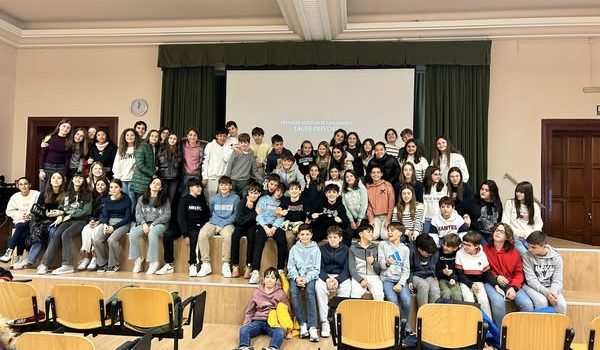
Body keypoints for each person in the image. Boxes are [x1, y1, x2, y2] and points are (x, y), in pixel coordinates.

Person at [37, 172, 92, 275]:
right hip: (67, 220)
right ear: (72, 180)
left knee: (66, 234)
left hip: (81, 220)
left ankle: (68, 265)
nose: (78, 179)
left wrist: (67, 214)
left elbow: (86, 211)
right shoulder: (67, 193)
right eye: (76, 177)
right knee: (56, 234)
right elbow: (62, 207)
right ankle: (45, 264)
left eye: (81, 178)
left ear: (83, 180)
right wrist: (59, 215)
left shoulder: (88, 194)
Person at [11, 172, 66, 270]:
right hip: (41, 219)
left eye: (59, 178)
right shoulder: (44, 193)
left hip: (57, 220)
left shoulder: (66, 194)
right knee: (39, 232)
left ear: (63, 180)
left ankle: (46, 261)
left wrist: (60, 214)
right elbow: (38, 209)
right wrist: (46, 213)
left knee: (52, 231)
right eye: (53, 178)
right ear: (50, 180)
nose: (56, 180)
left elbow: (67, 209)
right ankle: (30, 261)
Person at [483, 223, 533, 327]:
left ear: (507, 236)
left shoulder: (514, 252)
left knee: (526, 304)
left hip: (511, 283)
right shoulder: (485, 250)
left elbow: (519, 273)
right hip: (491, 282)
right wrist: (497, 277)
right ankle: (500, 336)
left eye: (501, 231)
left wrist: (514, 288)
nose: (497, 233)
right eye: (496, 230)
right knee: (498, 302)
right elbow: (483, 270)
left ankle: (521, 333)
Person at [158, 178, 210, 276]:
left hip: (195, 227)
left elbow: (205, 217)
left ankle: (193, 264)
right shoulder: (184, 199)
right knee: (167, 234)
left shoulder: (202, 200)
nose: (200, 189)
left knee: (194, 235)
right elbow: (181, 218)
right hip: (183, 226)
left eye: (200, 187)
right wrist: (185, 234)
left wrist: (200, 226)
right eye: (197, 187)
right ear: (190, 188)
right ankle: (169, 264)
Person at [233, 267, 290, 350]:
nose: (269, 280)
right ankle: (244, 346)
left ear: (276, 280)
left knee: (280, 332)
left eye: (273, 278)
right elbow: (250, 310)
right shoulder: (257, 292)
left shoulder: (280, 293)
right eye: (267, 277)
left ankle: (273, 348)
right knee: (244, 330)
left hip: (273, 322)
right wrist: (247, 323)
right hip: (258, 321)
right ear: (263, 279)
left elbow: (286, 310)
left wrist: (287, 329)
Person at [197, 176, 240, 278]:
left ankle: (225, 264)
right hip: (213, 222)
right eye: (221, 184)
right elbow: (212, 212)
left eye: (226, 184)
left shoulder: (236, 198)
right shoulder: (214, 198)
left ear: (230, 186)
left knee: (228, 236)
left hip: (228, 223)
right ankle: (206, 264)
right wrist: (216, 223)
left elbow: (235, 215)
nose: (224, 186)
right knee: (202, 234)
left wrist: (222, 224)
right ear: (218, 186)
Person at [128, 178, 171, 275]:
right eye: (153, 182)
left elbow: (167, 215)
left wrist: (154, 224)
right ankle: (138, 259)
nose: (155, 185)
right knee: (133, 233)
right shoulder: (141, 198)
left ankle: (154, 262)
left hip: (160, 224)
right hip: (145, 224)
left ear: (160, 188)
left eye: (158, 184)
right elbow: (138, 214)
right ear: (149, 185)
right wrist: (143, 224)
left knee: (152, 233)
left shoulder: (165, 200)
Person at [315, 225, 351, 338]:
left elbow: (347, 269)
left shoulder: (346, 250)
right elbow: (319, 268)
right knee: (318, 287)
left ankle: (337, 323)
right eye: (330, 237)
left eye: (335, 237)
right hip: (326, 276)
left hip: (341, 276)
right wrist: (326, 279)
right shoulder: (322, 249)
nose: (332, 239)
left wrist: (338, 280)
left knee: (347, 288)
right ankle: (325, 323)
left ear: (340, 238)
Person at [287, 224, 321, 342]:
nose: (305, 237)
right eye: (302, 234)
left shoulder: (316, 249)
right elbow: (291, 267)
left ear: (311, 235)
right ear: (298, 235)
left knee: (310, 292)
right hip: (296, 277)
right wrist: (297, 278)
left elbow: (316, 269)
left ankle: (312, 326)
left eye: (307, 234)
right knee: (293, 292)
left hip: (310, 277)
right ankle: (302, 324)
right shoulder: (294, 249)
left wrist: (306, 279)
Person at [249, 182, 287, 284]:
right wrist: (265, 227)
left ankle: (280, 269)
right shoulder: (263, 199)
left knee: (282, 240)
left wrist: (274, 227)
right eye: (278, 190)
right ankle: (255, 271)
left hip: (275, 225)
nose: (279, 193)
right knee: (259, 240)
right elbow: (258, 215)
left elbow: (282, 217)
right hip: (263, 225)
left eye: (282, 192)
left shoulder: (282, 202)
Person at [92, 179, 133, 272]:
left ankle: (114, 264)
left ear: (121, 188)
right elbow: (105, 215)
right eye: (111, 187)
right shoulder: (106, 200)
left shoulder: (126, 199)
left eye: (116, 187)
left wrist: (113, 228)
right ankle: (102, 263)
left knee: (112, 240)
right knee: (96, 239)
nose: (113, 189)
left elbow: (127, 218)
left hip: (122, 223)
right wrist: (106, 225)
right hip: (109, 222)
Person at [521, 230, 566, 314]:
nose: (530, 249)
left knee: (561, 305)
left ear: (544, 246)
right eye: (529, 246)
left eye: (533, 247)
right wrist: (547, 293)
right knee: (541, 302)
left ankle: (558, 327)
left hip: (550, 288)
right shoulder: (527, 256)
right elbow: (531, 280)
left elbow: (557, 280)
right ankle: (539, 327)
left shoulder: (556, 257)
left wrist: (553, 292)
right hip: (531, 287)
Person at [378, 222, 411, 330]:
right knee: (392, 300)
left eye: (392, 230)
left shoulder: (405, 249)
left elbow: (406, 270)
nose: (389, 232)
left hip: (400, 279)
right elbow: (381, 265)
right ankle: (396, 326)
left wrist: (401, 284)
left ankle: (405, 324)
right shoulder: (383, 244)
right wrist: (387, 263)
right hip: (386, 279)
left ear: (400, 233)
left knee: (406, 300)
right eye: (388, 230)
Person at [455, 231, 495, 317]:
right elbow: (460, 275)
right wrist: (471, 285)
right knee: (469, 301)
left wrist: (496, 285)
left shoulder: (482, 255)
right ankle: (471, 324)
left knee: (484, 301)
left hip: (478, 282)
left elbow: (487, 274)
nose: (465, 247)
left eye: (468, 245)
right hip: (465, 282)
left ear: (476, 246)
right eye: (464, 244)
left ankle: (487, 325)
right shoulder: (459, 253)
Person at [1, 177, 40, 264]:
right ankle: (19, 257)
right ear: (18, 186)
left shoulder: (36, 194)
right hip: (20, 220)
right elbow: (9, 211)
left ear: (29, 185)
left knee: (20, 227)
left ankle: (10, 251)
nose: (23, 186)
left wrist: (32, 214)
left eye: (25, 184)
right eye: (21, 184)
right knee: (22, 229)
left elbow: (41, 208)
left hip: (33, 221)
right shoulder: (15, 197)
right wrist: (20, 215)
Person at [230, 181, 262, 279]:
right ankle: (235, 265)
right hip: (241, 225)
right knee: (235, 236)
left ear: (259, 194)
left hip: (252, 226)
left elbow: (266, 192)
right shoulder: (243, 202)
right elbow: (239, 220)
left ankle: (249, 266)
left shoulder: (260, 202)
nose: (253, 195)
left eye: (256, 193)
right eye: (251, 193)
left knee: (252, 237)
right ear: (248, 192)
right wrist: (254, 214)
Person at [502, 181, 543, 255]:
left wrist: (532, 235)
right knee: (525, 253)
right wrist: (519, 233)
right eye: (517, 191)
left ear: (528, 193)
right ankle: (530, 262)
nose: (518, 194)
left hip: (530, 237)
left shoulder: (534, 206)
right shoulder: (510, 203)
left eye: (521, 192)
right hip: (514, 236)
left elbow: (538, 222)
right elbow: (505, 223)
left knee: (541, 250)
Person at [76, 178, 109, 271]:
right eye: (98, 184)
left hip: (104, 221)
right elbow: (91, 212)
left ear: (106, 186)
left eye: (102, 185)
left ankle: (95, 257)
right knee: (86, 230)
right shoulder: (93, 196)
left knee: (95, 232)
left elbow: (107, 213)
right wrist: (92, 220)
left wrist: (99, 221)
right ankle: (86, 257)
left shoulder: (108, 197)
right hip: (95, 221)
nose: (100, 187)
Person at [349, 224, 384, 300]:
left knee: (379, 295)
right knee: (355, 295)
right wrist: (360, 280)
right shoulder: (353, 248)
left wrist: (374, 262)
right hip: (358, 276)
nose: (371, 234)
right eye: (368, 232)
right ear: (360, 234)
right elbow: (352, 269)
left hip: (373, 276)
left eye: (372, 232)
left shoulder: (376, 247)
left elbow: (379, 270)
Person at [406, 233, 440, 308]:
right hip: (415, 275)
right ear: (419, 249)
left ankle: (433, 313)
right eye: (427, 253)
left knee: (435, 289)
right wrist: (410, 280)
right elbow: (408, 268)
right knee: (423, 286)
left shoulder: (434, 251)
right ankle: (422, 313)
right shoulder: (410, 251)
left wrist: (436, 276)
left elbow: (435, 266)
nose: (430, 254)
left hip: (429, 275)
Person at [225, 133, 263, 197]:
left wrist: (262, 180)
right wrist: (226, 179)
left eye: (245, 142)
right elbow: (230, 165)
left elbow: (255, 171)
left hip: (244, 182)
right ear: (239, 143)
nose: (243, 144)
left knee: (243, 198)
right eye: (241, 142)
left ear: (248, 143)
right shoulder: (236, 152)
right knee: (232, 198)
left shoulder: (251, 154)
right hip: (233, 180)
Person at [39, 119, 72, 192]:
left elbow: (67, 159)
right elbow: (42, 155)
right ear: (59, 126)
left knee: (60, 191)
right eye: (64, 126)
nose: (65, 129)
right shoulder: (50, 137)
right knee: (44, 190)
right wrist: (41, 170)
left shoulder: (69, 141)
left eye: (68, 127)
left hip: (61, 168)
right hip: (48, 167)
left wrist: (65, 174)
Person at [131, 130, 160, 209]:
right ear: (148, 136)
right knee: (139, 204)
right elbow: (140, 165)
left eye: (156, 136)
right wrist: (152, 174)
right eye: (152, 136)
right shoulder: (143, 147)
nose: (154, 138)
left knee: (147, 203)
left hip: (149, 179)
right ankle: (136, 220)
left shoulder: (156, 148)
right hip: (141, 179)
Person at [112, 128, 141, 205]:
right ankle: (126, 215)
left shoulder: (139, 148)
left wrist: (138, 167)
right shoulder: (121, 149)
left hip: (134, 178)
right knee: (124, 198)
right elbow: (116, 163)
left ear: (135, 137)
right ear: (124, 137)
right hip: (123, 177)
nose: (129, 137)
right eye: (127, 135)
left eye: (132, 135)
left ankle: (131, 216)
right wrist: (117, 176)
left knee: (132, 198)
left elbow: (142, 162)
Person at [366, 166, 395, 240]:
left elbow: (391, 204)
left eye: (378, 172)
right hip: (376, 217)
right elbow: (369, 206)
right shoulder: (369, 188)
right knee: (373, 236)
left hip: (386, 216)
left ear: (381, 174)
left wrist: (388, 219)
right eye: (373, 172)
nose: (376, 174)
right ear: (370, 174)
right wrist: (371, 219)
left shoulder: (387, 185)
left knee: (385, 236)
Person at [201, 129, 229, 203]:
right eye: (220, 136)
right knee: (210, 200)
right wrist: (205, 177)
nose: (222, 138)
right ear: (216, 136)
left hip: (223, 178)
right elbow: (205, 161)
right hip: (211, 178)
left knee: (222, 200)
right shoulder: (210, 145)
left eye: (224, 136)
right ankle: (210, 214)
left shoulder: (228, 146)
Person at [278, 181, 308, 245]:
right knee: (289, 238)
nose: (294, 191)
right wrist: (281, 212)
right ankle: (290, 254)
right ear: (288, 191)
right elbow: (278, 210)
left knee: (302, 238)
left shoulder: (304, 200)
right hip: (289, 225)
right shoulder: (285, 200)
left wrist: (302, 228)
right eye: (291, 189)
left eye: (296, 189)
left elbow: (308, 217)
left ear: (300, 191)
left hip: (301, 224)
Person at [435, 233, 463, 301]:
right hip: (442, 279)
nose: (444, 247)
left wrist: (453, 278)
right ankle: (444, 310)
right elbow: (435, 270)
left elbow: (459, 271)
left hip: (454, 279)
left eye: (448, 246)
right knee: (446, 292)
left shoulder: (458, 254)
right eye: (444, 244)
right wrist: (443, 272)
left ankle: (457, 311)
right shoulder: (438, 253)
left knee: (456, 294)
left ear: (455, 248)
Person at [180, 128, 207, 195]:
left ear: (197, 137)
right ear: (187, 136)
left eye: (195, 135)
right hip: (185, 175)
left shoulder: (202, 146)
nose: (192, 137)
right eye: (190, 135)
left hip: (197, 175)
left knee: (196, 195)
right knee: (184, 195)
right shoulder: (182, 145)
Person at [157, 131, 181, 204]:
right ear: (167, 139)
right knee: (161, 198)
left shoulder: (179, 151)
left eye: (174, 139)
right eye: (170, 138)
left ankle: (168, 215)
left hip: (174, 179)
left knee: (171, 200)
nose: (172, 140)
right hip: (163, 178)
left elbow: (180, 166)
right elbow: (157, 163)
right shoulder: (161, 149)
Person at [341, 169, 368, 235]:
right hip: (351, 218)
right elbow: (345, 207)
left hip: (362, 218)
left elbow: (364, 204)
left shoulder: (361, 188)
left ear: (355, 177)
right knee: (348, 235)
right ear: (345, 179)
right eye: (347, 177)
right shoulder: (344, 191)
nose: (349, 178)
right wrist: (351, 221)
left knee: (361, 235)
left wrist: (359, 219)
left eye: (351, 176)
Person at [422, 166, 447, 234]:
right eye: (435, 174)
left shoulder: (443, 187)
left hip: (440, 219)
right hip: (426, 220)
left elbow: (446, 204)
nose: (438, 176)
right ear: (429, 175)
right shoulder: (423, 187)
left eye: (439, 174)